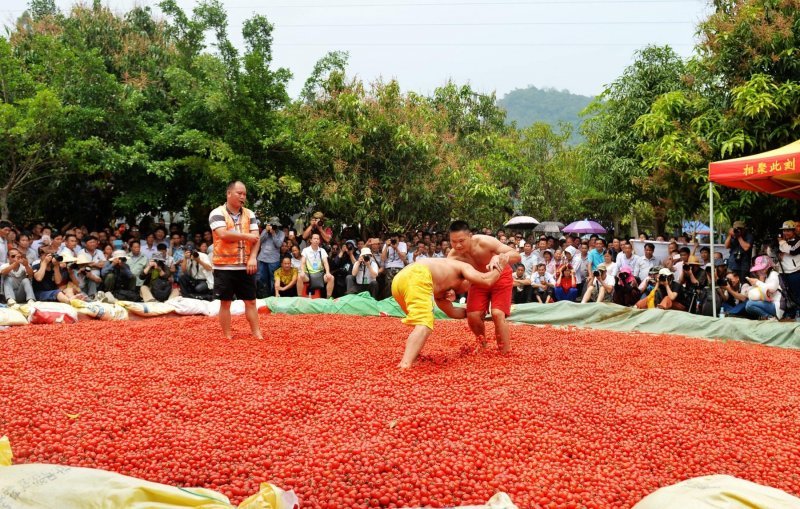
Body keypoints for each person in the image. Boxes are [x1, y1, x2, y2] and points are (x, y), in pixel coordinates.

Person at [392, 256, 507, 369]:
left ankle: (413, 356)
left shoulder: (441, 289)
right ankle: (405, 364)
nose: (467, 290)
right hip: (417, 275)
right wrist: (500, 266)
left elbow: (452, 312)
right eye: (470, 285)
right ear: (466, 278)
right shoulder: (464, 267)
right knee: (424, 324)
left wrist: (474, 313)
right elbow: (487, 280)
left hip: (398, 281)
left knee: (420, 321)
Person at [448, 220, 521, 354]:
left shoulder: (485, 241)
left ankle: (504, 351)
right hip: (478, 280)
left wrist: (499, 257)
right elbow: (451, 280)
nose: (457, 245)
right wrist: (451, 290)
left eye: (461, 241)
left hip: (500, 275)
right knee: (473, 315)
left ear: (470, 236)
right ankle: (482, 344)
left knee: (498, 314)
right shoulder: (452, 257)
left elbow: (516, 255)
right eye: (453, 242)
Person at [209, 181, 262, 339]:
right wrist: (247, 236)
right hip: (224, 266)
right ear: (229, 194)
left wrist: (253, 257)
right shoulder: (217, 213)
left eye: (244, 194)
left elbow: (257, 238)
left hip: (246, 265)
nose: (242, 196)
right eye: (239, 193)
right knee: (225, 303)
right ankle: (227, 335)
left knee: (251, 301)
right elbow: (223, 234)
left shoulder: (249, 214)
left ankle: (257, 333)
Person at [744, 255, 784, 320]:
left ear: (767, 268)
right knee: (749, 303)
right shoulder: (767, 277)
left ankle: (769, 317)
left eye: (761, 269)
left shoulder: (773, 274)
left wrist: (757, 282)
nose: (759, 271)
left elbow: (772, 289)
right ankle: (769, 317)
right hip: (771, 304)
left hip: (777, 306)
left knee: (749, 304)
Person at [298, 233, 335, 297]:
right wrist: (302, 271)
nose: (316, 240)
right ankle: (299, 297)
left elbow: (325, 262)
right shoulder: (305, 250)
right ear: (311, 240)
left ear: (319, 241)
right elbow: (303, 262)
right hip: (308, 274)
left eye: (318, 239)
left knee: (331, 278)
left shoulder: (322, 250)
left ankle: (328, 298)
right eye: (314, 238)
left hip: (319, 274)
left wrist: (328, 272)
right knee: (299, 277)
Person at [257, 217, 285, 297]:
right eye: (272, 225)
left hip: (273, 260)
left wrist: (273, 234)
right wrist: (266, 231)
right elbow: (259, 241)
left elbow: (278, 244)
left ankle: (273, 295)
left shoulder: (281, 233)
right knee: (261, 278)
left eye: (275, 225)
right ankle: (263, 296)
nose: (274, 227)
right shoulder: (265, 231)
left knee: (273, 279)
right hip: (262, 258)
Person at [778, 220, 800, 319]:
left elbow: (793, 250)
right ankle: (790, 315)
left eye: (788, 231)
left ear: (794, 231)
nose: (785, 233)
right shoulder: (782, 242)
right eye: (784, 231)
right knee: (787, 295)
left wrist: (781, 243)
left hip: (795, 272)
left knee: (797, 294)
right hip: (783, 272)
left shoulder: (798, 241)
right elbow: (772, 254)